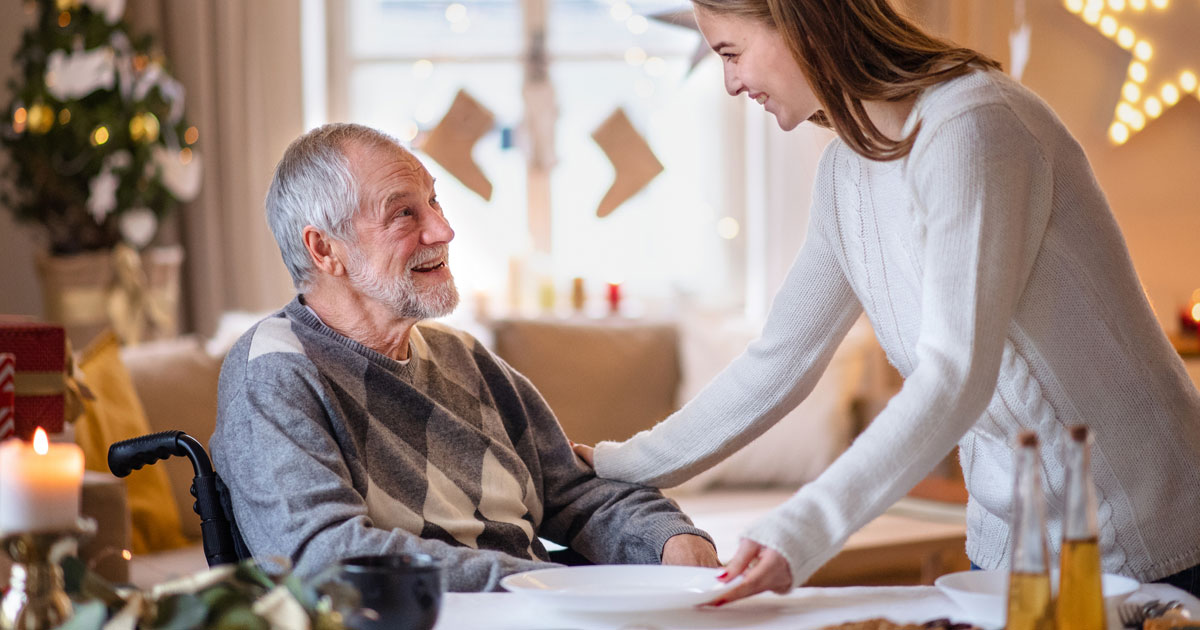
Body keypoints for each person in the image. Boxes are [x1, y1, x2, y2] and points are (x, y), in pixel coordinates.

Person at [574, 0, 1200, 605]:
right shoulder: (847, 172)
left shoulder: (975, 125)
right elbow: (777, 361)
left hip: (1141, 534)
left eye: (732, 53)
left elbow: (956, 376)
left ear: (798, 20)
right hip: (1011, 545)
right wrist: (618, 464)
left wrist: (800, 530)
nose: (732, 83)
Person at [211, 123, 719, 591]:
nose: (443, 231)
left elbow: (574, 490)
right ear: (325, 250)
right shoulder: (274, 371)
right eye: (404, 213)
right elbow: (328, 560)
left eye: (434, 201)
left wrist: (670, 539)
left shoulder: (462, 356)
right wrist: (543, 585)